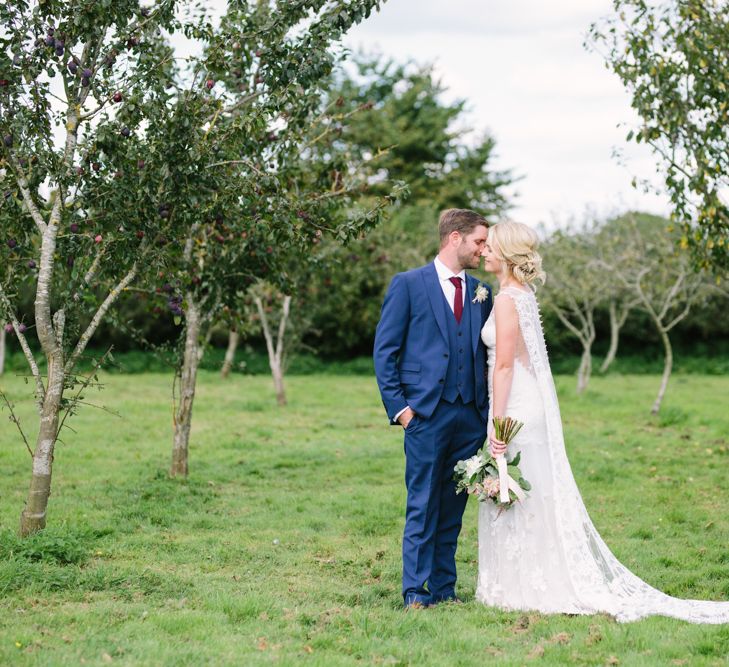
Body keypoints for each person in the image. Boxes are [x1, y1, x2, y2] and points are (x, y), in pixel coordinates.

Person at [477, 220, 729, 623]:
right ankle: (524, 580)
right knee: (532, 491)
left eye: (490, 246)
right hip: (528, 402)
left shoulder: (508, 300)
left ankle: (525, 585)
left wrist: (496, 420)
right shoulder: (520, 295)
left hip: (516, 405)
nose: (484, 251)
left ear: (506, 254)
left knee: (521, 489)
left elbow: (505, 365)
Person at [373, 208, 502, 609]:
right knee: (422, 504)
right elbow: (385, 352)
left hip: (470, 417)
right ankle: (415, 590)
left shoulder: (482, 291)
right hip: (426, 415)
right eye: (479, 241)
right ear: (454, 239)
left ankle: (445, 589)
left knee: (453, 509)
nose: (483, 249)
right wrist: (402, 410)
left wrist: (486, 414)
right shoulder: (408, 285)